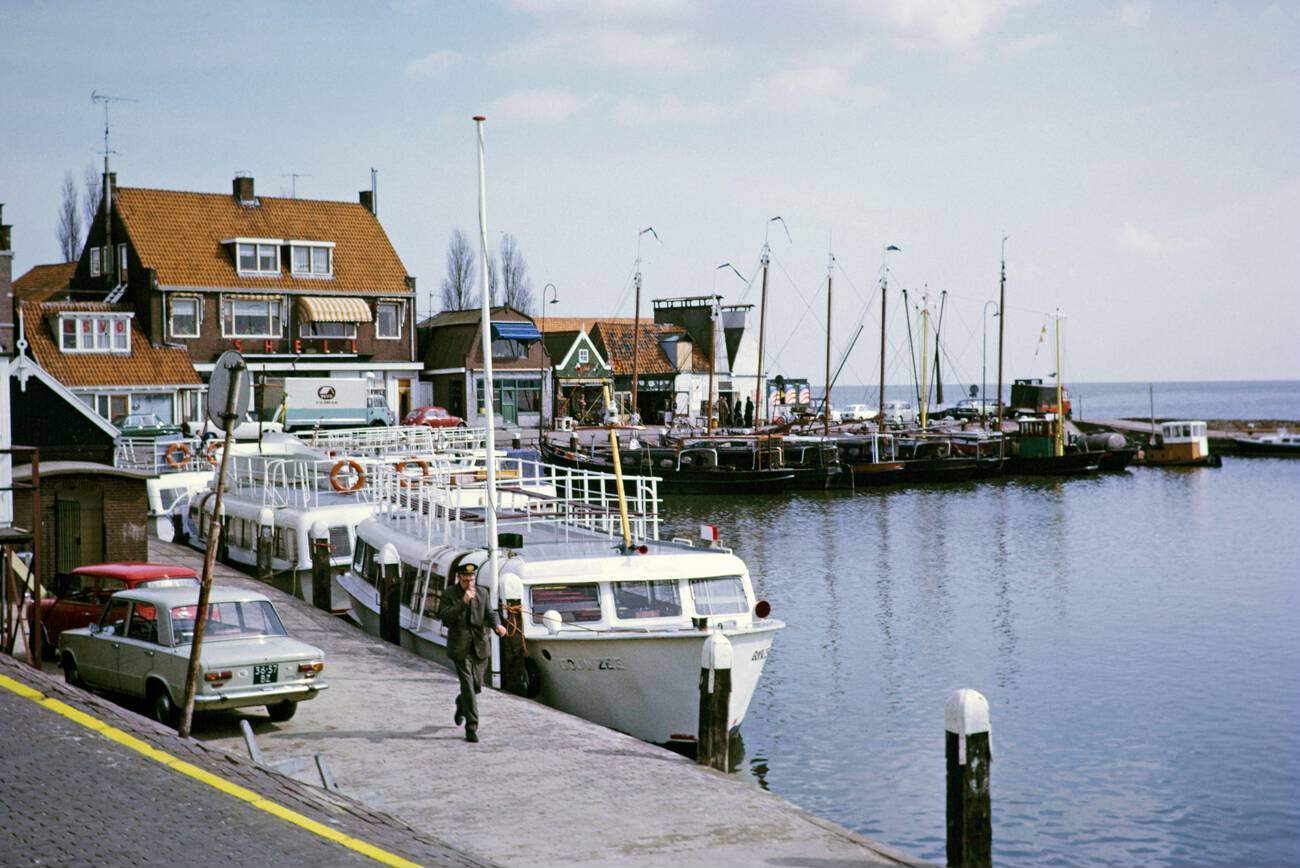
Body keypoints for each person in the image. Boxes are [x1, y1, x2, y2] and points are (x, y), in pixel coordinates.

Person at [438, 562, 507, 743]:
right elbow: (445, 618)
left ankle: (461, 703)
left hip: (480, 646)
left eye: (472, 579)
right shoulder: (449, 594)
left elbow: (490, 613)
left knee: (476, 686)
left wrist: (497, 625)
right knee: (468, 686)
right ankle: (471, 727)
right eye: (466, 579)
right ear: (459, 578)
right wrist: (464, 602)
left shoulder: (483, 592)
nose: (470, 582)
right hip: (460, 648)